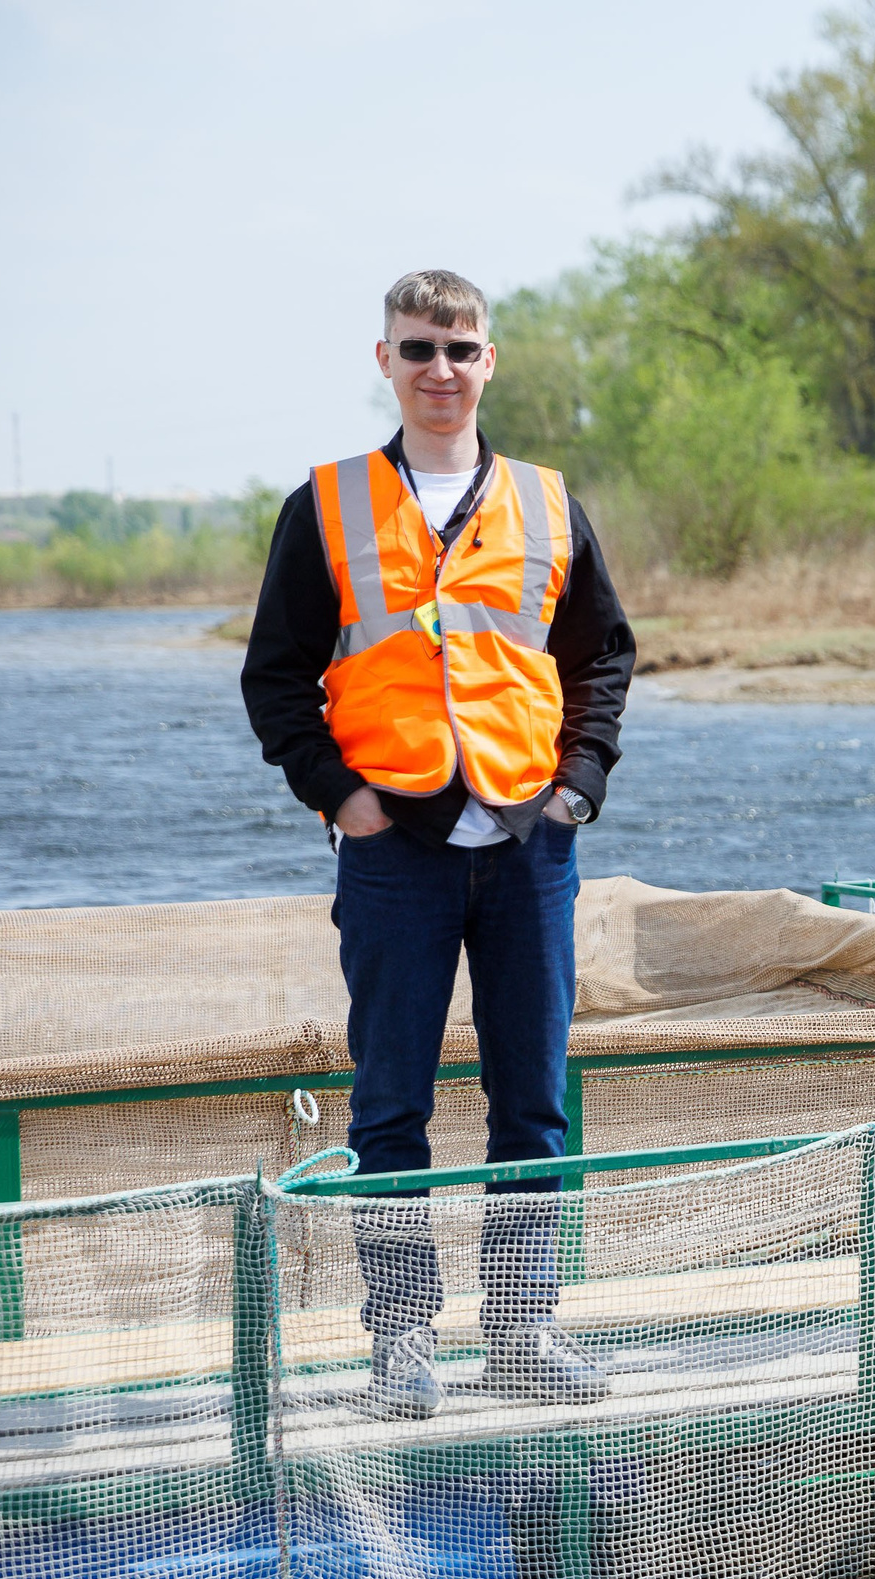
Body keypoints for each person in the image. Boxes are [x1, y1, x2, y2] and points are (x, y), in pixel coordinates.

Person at [241, 269, 635, 1418]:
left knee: (533, 1103)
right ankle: (401, 1344)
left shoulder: (550, 503)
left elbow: (602, 655)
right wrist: (336, 792)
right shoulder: (327, 503)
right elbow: (276, 675)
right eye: (418, 348)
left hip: (528, 841)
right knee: (388, 1108)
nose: (441, 369)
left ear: (490, 360)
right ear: (384, 361)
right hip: (393, 847)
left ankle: (522, 1330)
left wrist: (580, 786)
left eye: (461, 348)